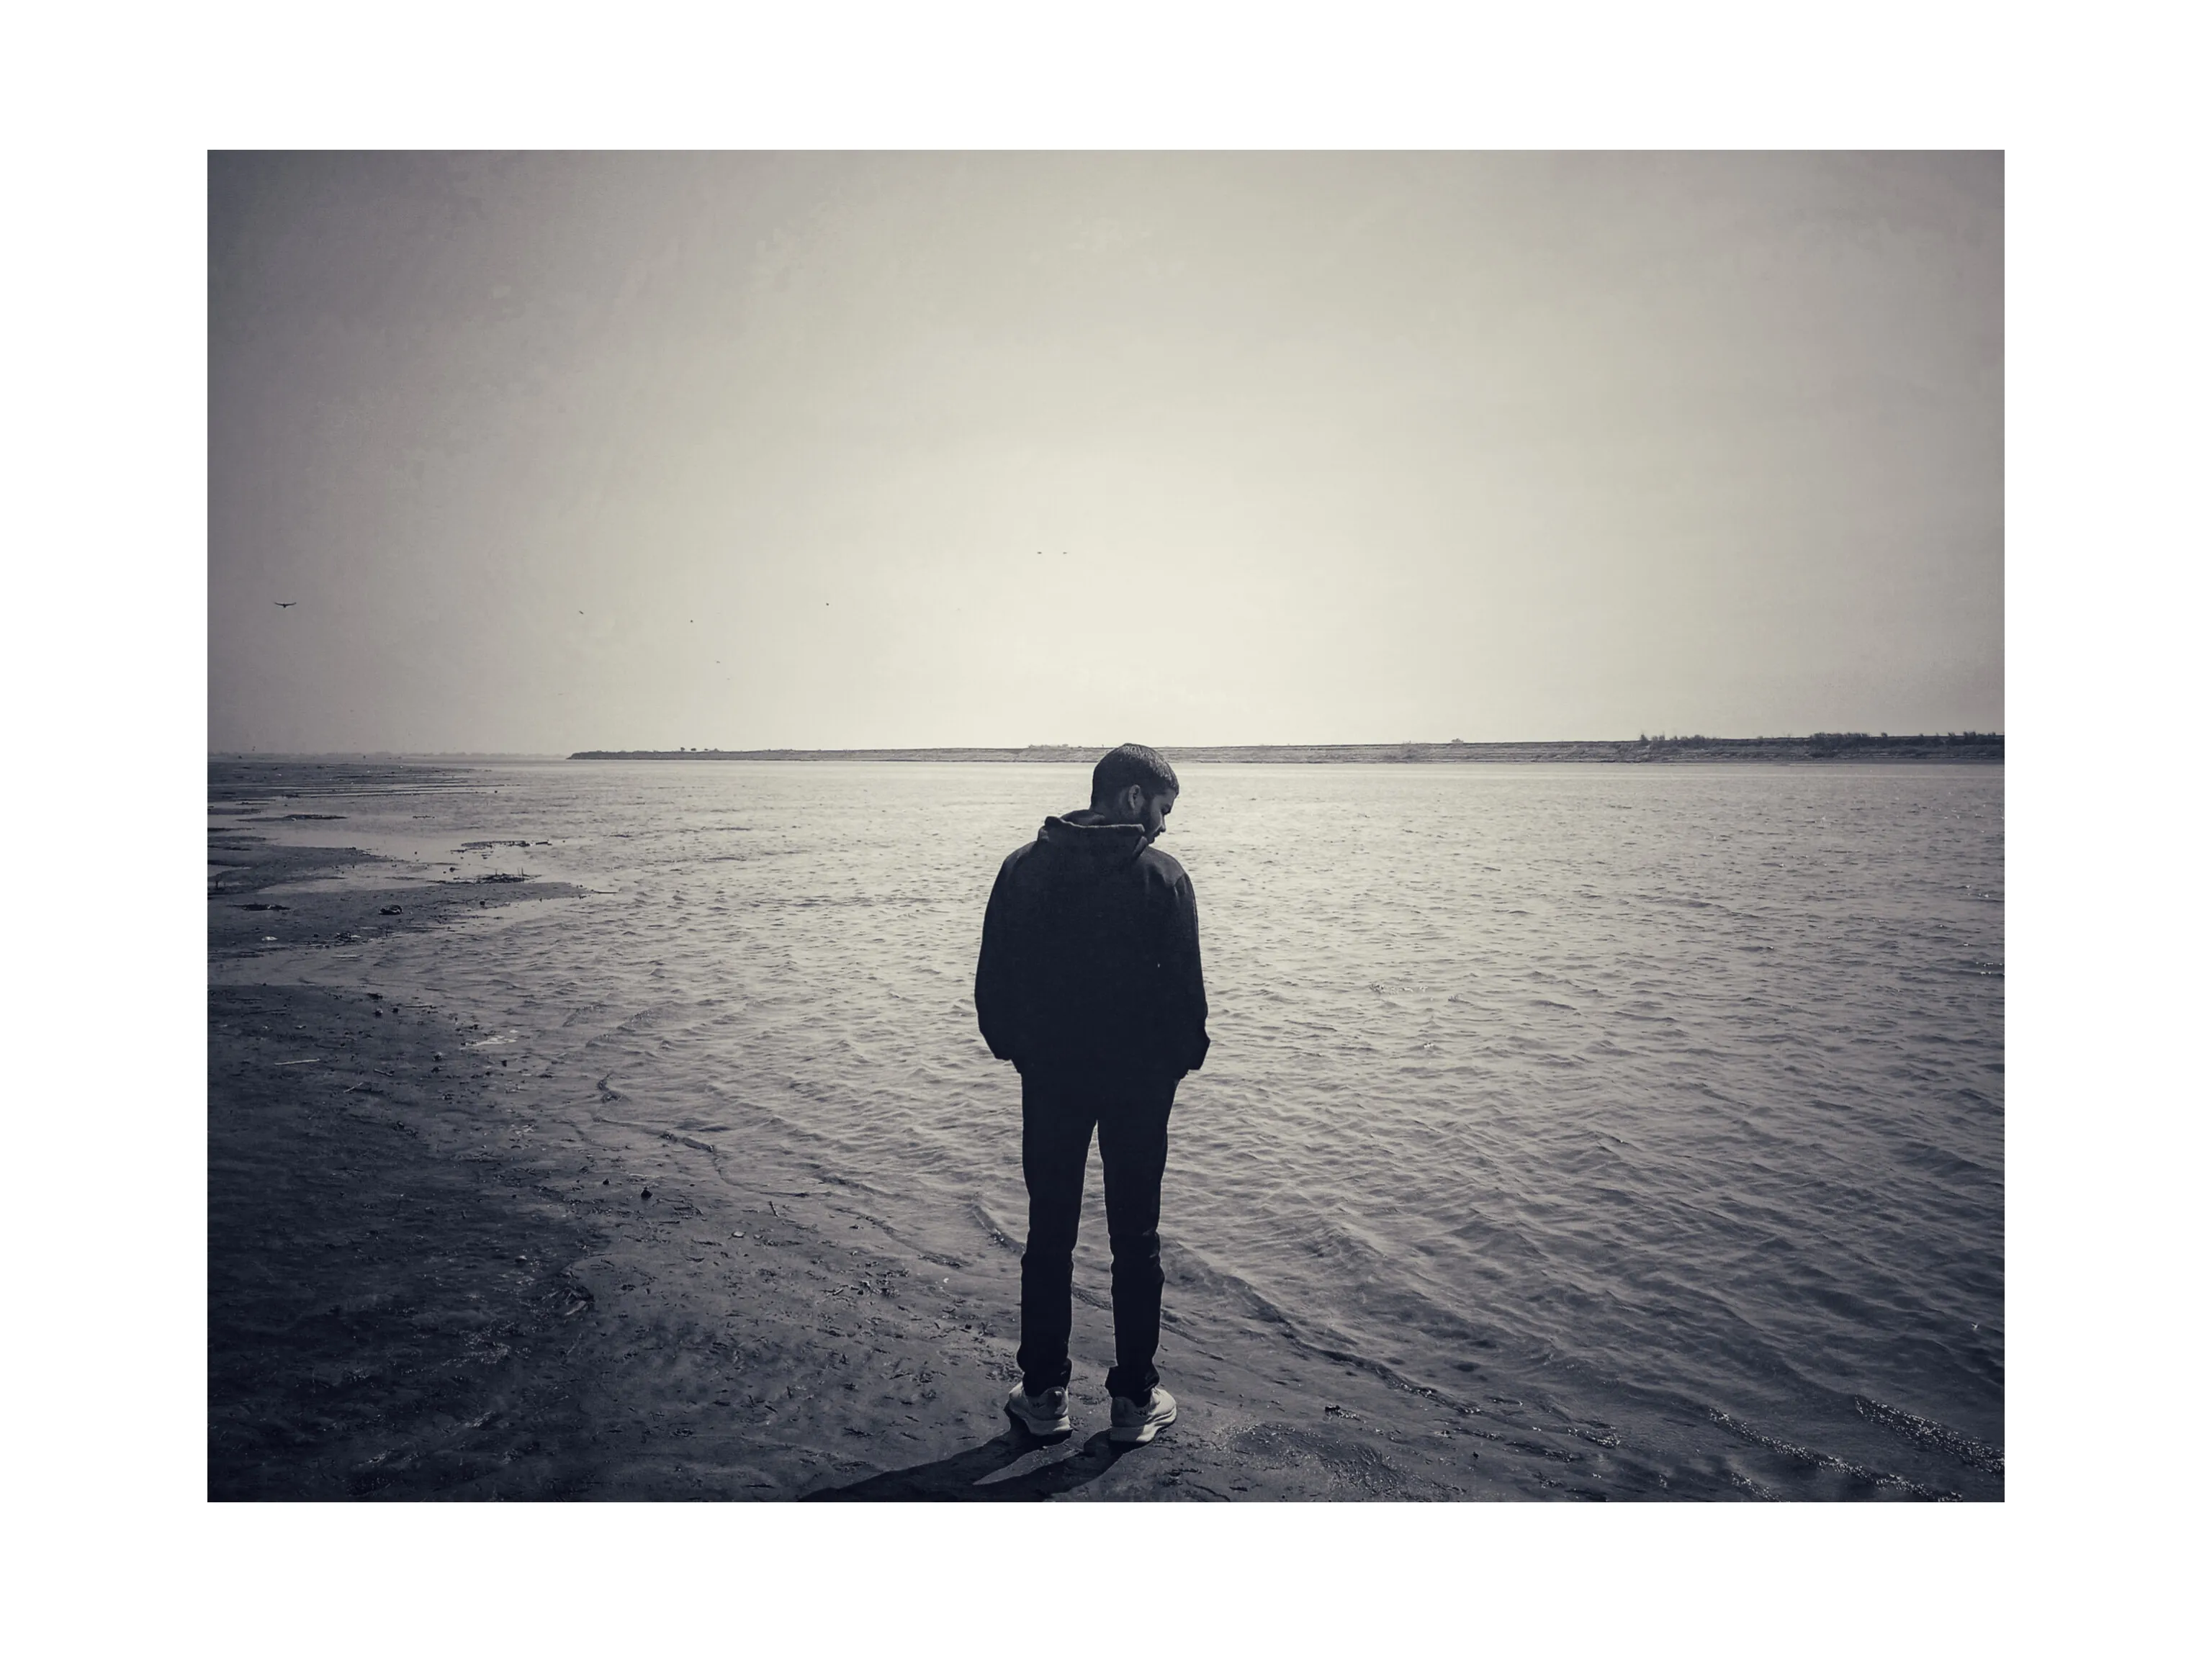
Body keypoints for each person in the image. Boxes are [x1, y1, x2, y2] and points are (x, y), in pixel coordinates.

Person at [974, 742, 1210, 1446]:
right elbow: (1188, 1005)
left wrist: (1021, 1051)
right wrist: (1173, 1067)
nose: (1164, 824)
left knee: (1050, 1233)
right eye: (1163, 807)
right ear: (1133, 797)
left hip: (1052, 1079)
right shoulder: (1163, 877)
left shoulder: (1023, 868)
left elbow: (993, 989)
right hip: (1139, 1089)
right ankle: (1134, 1398)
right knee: (1136, 1239)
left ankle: (1045, 1393)